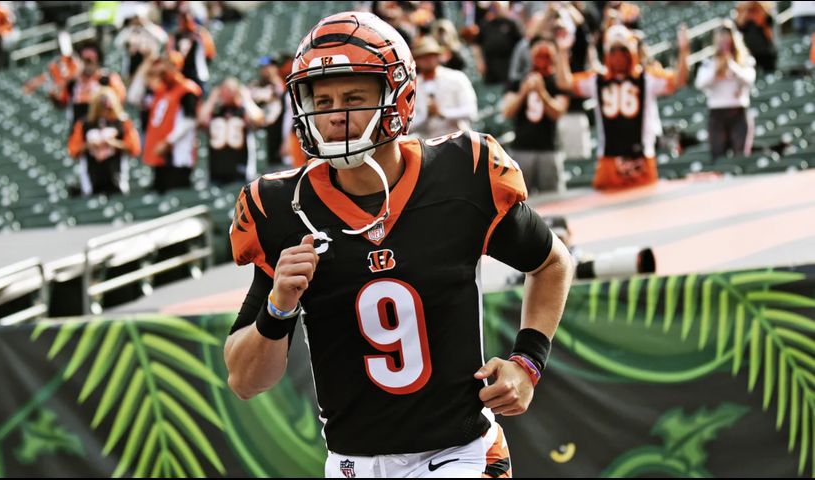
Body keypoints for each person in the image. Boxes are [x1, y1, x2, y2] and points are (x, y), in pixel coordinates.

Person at [224, 11, 573, 478]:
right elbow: (245, 381)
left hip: (461, 453)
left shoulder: (462, 173)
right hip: (350, 465)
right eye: (322, 101)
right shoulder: (283, 207)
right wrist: (279, 305)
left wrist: (527, 362)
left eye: (353, 98)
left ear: (398, 96)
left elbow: (551, 262)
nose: (335, 115)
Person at [555, 24, 690, 190]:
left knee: (646, 199)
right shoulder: (597, 80)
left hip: (641, 158)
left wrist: (684, 51)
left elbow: (678, 80)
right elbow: (564, 83)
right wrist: (562, 51)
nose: (618, 56)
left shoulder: (646, 78)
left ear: (631, 51)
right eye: (613, 50)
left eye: (623, 50)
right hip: (609, 159)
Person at [502, 36, 569, 194]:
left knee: (553, 197)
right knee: (521, 197)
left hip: (548, 148)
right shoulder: (518, 81)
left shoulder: (557, 82)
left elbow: (558, 112)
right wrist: (523, 92)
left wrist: (542, 92)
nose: (542, 60)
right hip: (522, 148)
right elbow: (507, 111)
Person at [694, 21, 756, 160]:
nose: (724, 39)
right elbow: (700, 84)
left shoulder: (744, 60)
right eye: (721, 36)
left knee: (741, 155)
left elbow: (749, 79)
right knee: (718, 156)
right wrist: (716, 69)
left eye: (727, 35)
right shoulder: (709, 62)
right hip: (717, 112)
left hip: (738, 110)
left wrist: (731, 66)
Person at [142, 53, 201, 193]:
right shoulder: (161, 90)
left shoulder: (187, 89)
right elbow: (134, 98)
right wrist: (146, 72)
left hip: (178, 156)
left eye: (166, 66)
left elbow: (189, 120)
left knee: (176, 193)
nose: (162, 69)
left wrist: (168, 142)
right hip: (160, 156)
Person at [68, 88, 141, 195]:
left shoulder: (122, 123)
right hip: (92, 175)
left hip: (116, 174)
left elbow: (134, 148)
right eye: (100, 107)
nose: (104, 112)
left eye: (108, 108)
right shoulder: (84, 124)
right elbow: (73, 150)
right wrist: (89, 145)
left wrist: (113, 143)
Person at [408, 36, 478, 139]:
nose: (428, 60)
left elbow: (471, 112)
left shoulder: (457, 77)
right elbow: (407, 127)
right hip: (428, 143)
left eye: (431, 55)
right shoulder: (411, 86)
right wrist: (426, 116)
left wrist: (442, 112)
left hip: (458, 138)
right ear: (416, 60)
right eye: (423, 56)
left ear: (438, 56)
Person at [199, 77, 264, 185]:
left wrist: (246, 98)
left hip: (240, 170)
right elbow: (201, 120)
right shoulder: (215, 111)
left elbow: (258, 119)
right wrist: (212, 99)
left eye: (231, 90)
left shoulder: (243, 111)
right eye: (224, 90)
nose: (227, 94)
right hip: (216, 171)